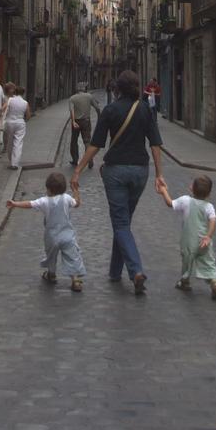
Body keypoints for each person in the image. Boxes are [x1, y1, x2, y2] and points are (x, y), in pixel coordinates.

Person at [71, 69, 165, 295]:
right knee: (123, 222)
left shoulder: (110, 110)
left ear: (117, 89)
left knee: (121, 222)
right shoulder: (145, 110)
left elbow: (95, 145)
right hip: (141, 171)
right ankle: (115, 272)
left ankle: (136, 271)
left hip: (116, 172)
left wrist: (78, 169)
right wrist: (160, 174)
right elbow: (155, 144)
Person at [6, 171, 86, 292]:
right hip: (67, 236)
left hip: (52, 236)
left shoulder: (44, 201)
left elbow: (30, 204)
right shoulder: (66, 198)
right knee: (72, 256)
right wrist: (76, 190)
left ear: (48, 188)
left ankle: (51, 274)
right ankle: (75, 280)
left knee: (51, 256)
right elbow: (77, 203)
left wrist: (15, 203)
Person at [157, 174, 216, 300]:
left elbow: (170, 203)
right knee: (209, 262)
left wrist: (164, 190)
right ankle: (214, 282)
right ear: (209, 193)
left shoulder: (185, 200)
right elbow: (213, 221)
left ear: (191, 188)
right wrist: (208, 236)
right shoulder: (209, 206)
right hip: (204, 241)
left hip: (188, 242)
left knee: (187, 262)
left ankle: (185, 281)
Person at [69, 82, 101, 168]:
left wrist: (73, 122)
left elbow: (71, 111)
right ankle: (89, 160)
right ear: (84, 89)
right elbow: (97, 107)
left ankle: (75, 160)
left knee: (74, 141)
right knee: (87, 141)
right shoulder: (89, 96)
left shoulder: (72, 98)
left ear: (76, 89)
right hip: (86, 121)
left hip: (76, 122)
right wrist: (99, 116)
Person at [3, 83, 31, 170]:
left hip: (9, 122)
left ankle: (11, 160)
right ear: (23, 93)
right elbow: (28, 115)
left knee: (10, 142)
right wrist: (24, 120)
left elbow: (3, 109)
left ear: (15, 92)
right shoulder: (25, 103)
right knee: (18, 143)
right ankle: (15, 163)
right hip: (20, 123)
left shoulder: (10, 100)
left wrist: (0, 118)